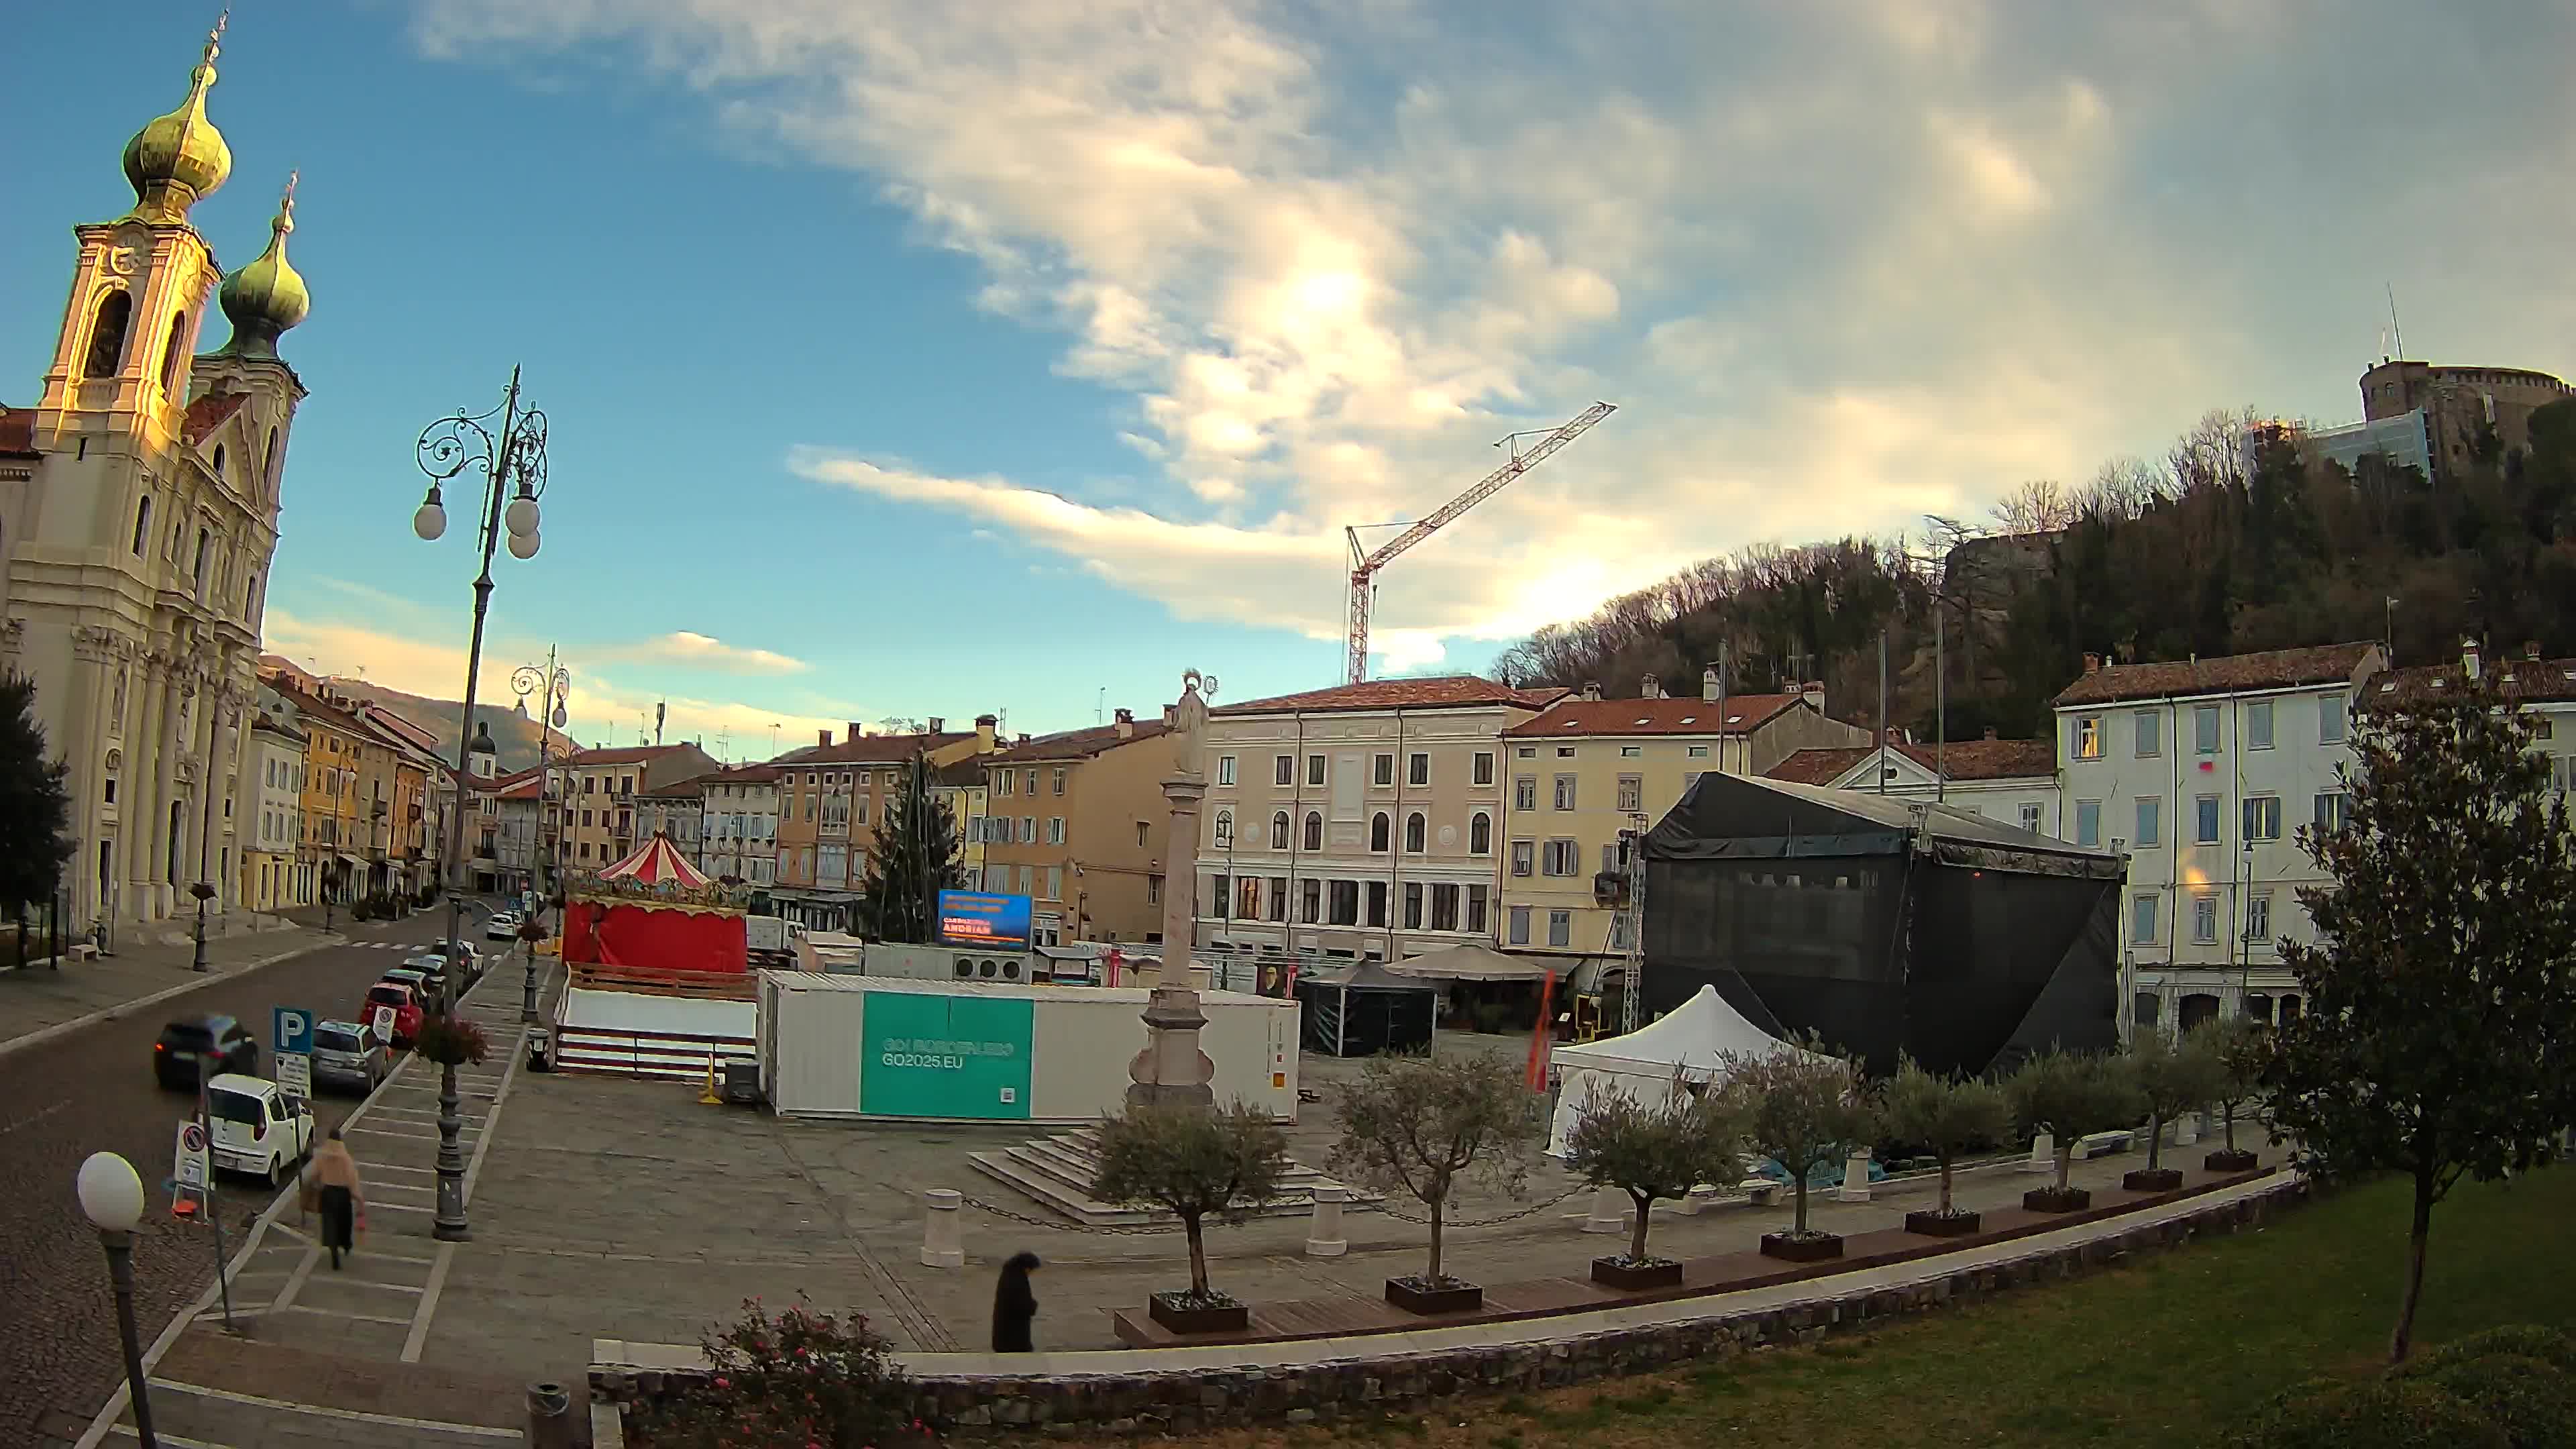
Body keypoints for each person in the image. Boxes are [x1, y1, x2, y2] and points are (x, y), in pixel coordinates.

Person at [301, 1126, 365, 1270]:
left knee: (330, 1224)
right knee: (344, 1224)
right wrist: (358, 1198)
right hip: (343, 1195)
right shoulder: (345, 1158)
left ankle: (333, 1249)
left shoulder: (322, 1155)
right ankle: (346, 1244)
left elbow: (311, 1175)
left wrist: (310, 1186)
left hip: (327, 1194)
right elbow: (352, 1179)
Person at [991, 1251, 1040, 1352]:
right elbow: (1024, 1306)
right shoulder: (1018, 1281)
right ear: (1026, 1268)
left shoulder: (1009, 1275)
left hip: (1004, 1334)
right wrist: (1033, 1305)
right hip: (1014, 1337)